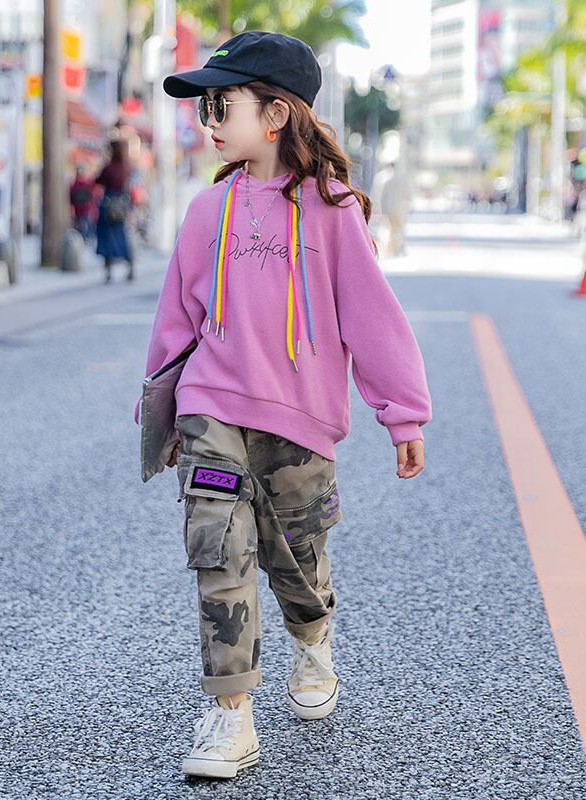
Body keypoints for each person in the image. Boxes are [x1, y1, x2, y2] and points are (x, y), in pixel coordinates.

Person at [132, 30, 432, 780]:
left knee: (297, 557)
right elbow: (176, 319)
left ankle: (312, 635)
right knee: (218, 550)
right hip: (212, 407)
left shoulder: (332, 210)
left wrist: (402, 412)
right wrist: (160, 409)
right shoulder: (207, 210)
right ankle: (230, 714)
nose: (208, 119)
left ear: (275, 115)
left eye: (220, 105)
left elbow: (372, 317)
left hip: (300, 420)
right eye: (204, 107)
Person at [95, 137, 135, 283]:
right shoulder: (126, 167)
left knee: (106, 236)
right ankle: (129, 264)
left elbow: (98, 180)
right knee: (121, 235)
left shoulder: (109, 167)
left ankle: (108, 270)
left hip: (108, 203)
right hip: (121, 204)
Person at [69, 164, 97, 242]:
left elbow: (71, 197)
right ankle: (83, 240)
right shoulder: (87, 183)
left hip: (81, 210)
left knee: (81, 228)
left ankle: (82, 241)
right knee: (84, 228)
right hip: (85, 210)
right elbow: (93, 195)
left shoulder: (75, 184)